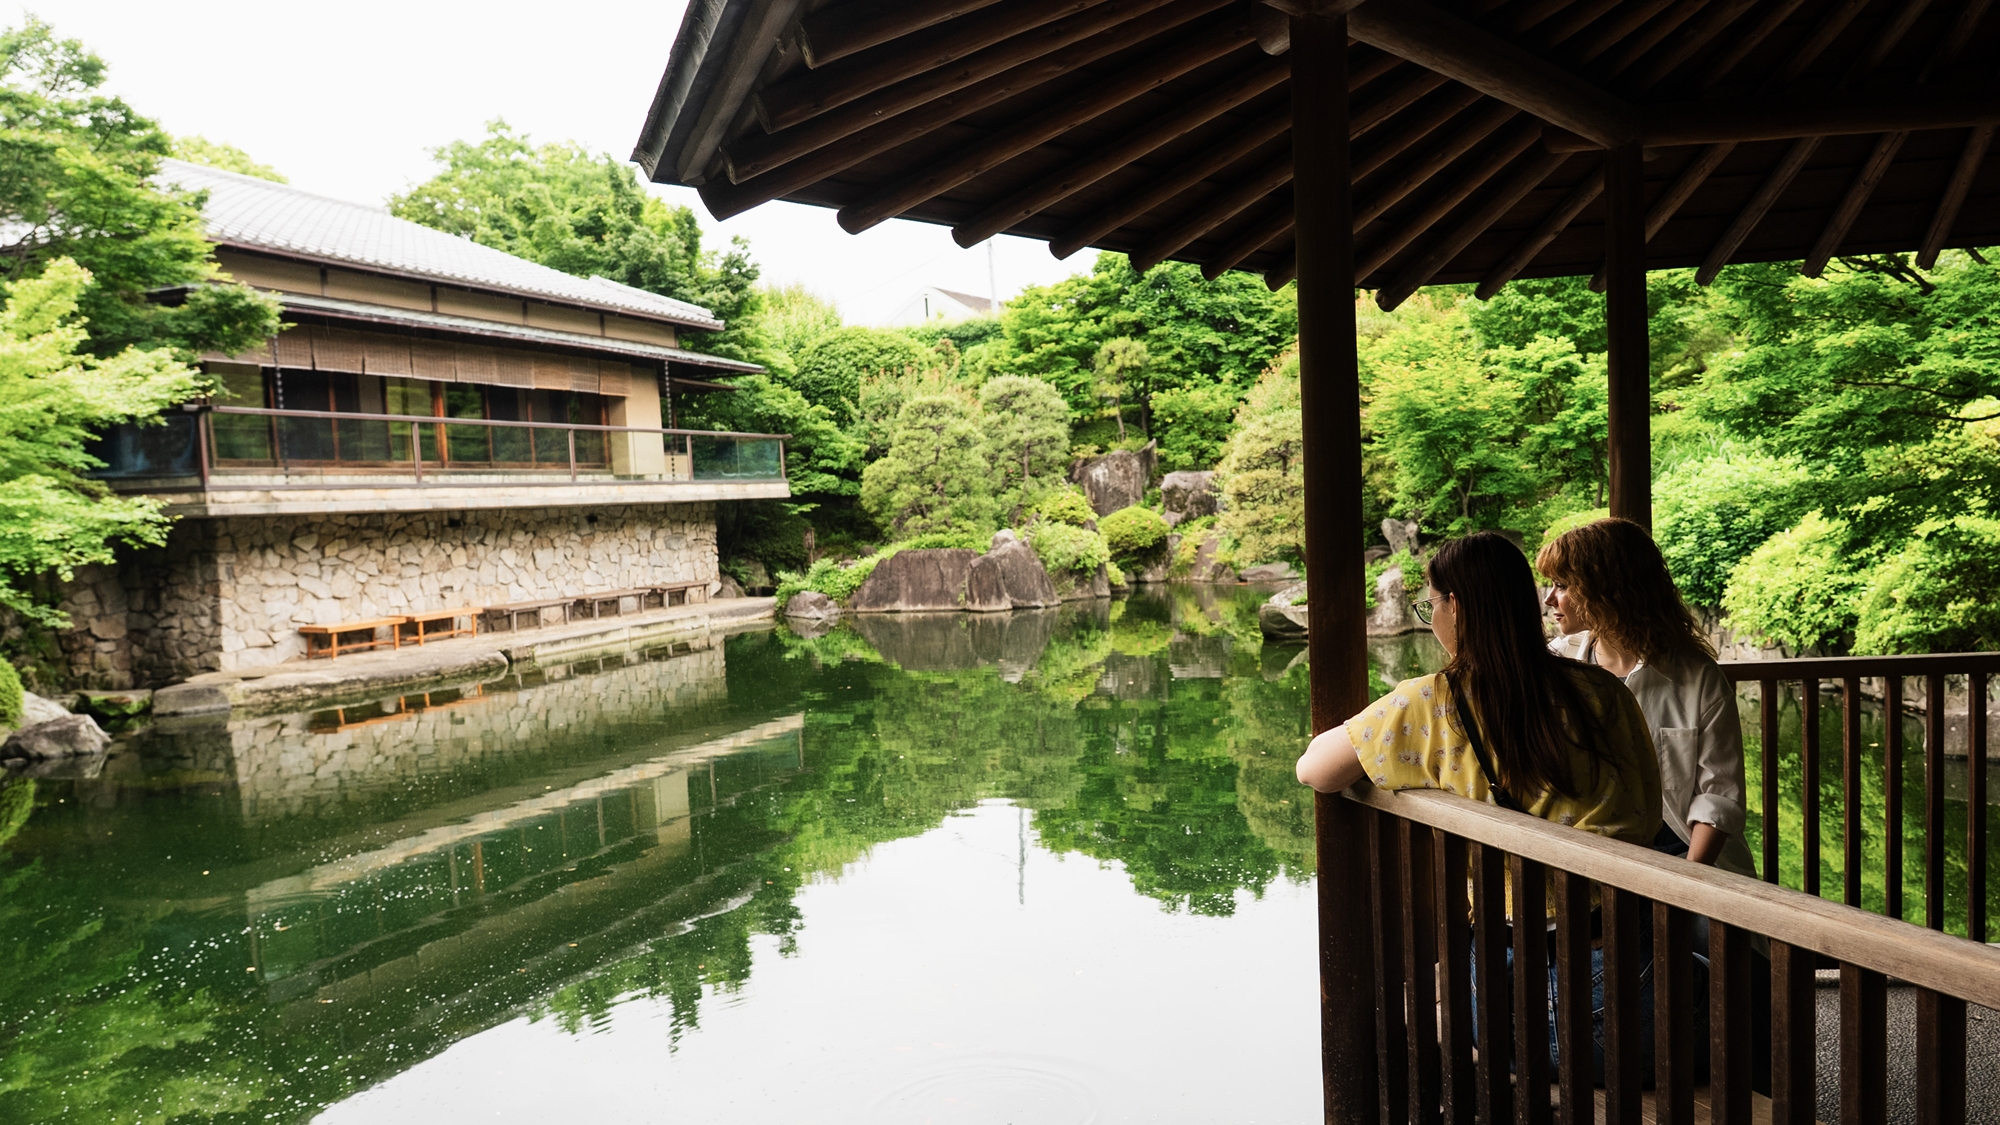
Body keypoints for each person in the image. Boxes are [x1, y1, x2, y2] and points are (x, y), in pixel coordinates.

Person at [1294, 531, 1665, 1084]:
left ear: (1457, 607)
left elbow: (1315, 770)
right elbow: (1648, 808)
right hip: (1629, 978)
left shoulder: (1432, 700)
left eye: (1431, 604)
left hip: (1511, 998)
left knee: (1456, 1022)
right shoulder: (1602, 692)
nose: (1430, 617)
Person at [1536, 517, 1757, 880]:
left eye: (1562, 585)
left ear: (1604, 589)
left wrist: (1686, 886)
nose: (1549, 599)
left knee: (1705, 937)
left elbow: (1718, 797)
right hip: (1590, 860)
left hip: (1685, 858)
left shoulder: (1696, 678)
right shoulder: (1556, 665)